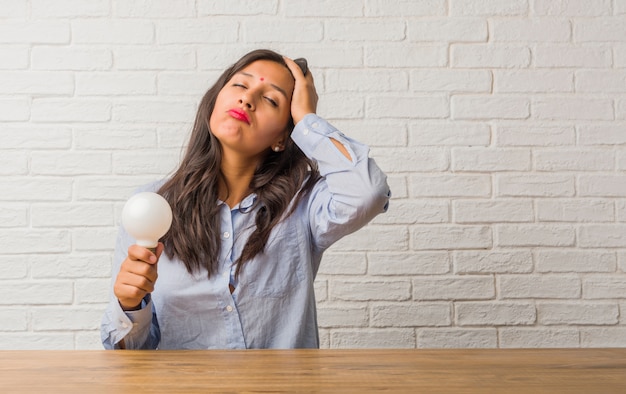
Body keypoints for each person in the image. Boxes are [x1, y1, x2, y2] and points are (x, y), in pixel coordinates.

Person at [101, 49, 390, 349]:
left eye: (271, 99)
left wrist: (307, 120)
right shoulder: (151, 206)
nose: (247, 99)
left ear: (283, 137)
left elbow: (367, 193)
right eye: (240, 85)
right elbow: (128, 352)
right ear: (216, 100)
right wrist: (130, 304)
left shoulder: (304, 204)